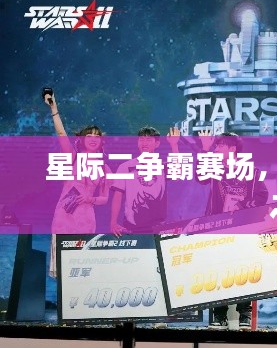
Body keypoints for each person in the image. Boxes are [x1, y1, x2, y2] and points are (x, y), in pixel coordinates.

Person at [196, 130, 269, 330]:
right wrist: (204, 149)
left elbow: (262, 196)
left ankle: (244, 314)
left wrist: (242, 206)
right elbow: (200, 176)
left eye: (219, 146)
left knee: (244, 269)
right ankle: (219, 315)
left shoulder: (250, 170)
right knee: (217, 269)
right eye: (216, 146)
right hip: (217, 227)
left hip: (242, 227)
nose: (216, 149)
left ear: (232, 148)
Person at [44, 92, 111, 278]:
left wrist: (90, 198)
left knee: (81, 267)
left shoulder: (105, 168)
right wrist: (54, 108)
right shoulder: (73, 158)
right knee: (62, 267)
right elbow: (61, 134)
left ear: (101, 141)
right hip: (64, 214)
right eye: (88, 135)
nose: (92, 138)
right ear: (82, 139)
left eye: (96, 136)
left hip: (86, 217)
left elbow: (105, 198)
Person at [110, 126, 180, 236]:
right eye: (141, 139)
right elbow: (117, 195)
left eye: (148, 139)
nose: (144, 143)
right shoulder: (125, 167)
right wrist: (113, 223)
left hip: (158, 227)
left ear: (157, 144)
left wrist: (174, 145)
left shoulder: (162, 167)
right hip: (131, 225)